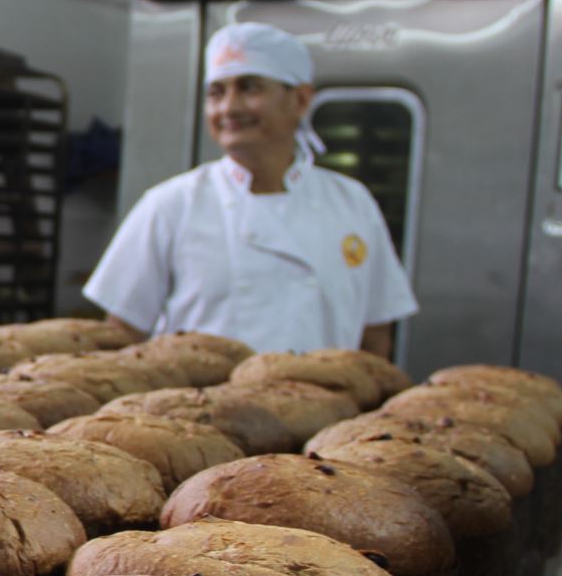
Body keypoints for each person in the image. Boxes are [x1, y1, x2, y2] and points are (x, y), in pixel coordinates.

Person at [83, 22, 416, 357]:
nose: (229, 108)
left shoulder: (352, 203)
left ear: (300, 100)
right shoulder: (171, 205)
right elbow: (122, 334)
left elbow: (375, 336)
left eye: (249, 88)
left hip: (327, 407)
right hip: (198, 407)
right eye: (216, 92)